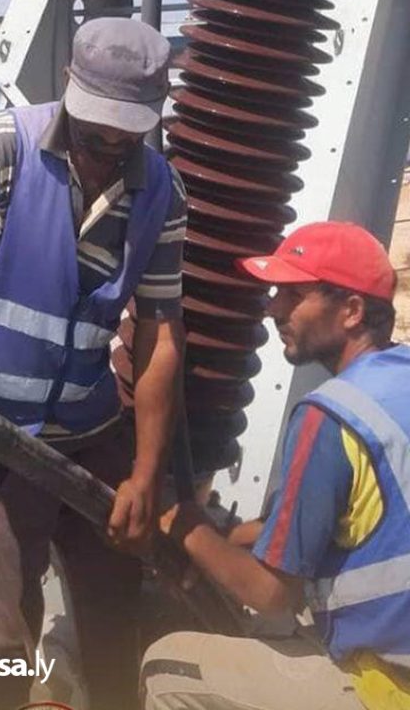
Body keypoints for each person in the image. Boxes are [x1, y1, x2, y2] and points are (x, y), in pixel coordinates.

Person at [0, 17, 188, 710]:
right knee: (5, 617)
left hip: (90, 428)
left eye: (126, 139)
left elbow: (159, 334)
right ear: (69, 89)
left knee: (112, 599)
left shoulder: (162, 193)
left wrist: (145, 474)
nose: (107, 154)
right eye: (94, 136)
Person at [143, 222, 410, 710]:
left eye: (293, 295)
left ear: (352, 311)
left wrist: (185, 526)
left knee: (168, 668)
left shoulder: (330, 415)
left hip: (392, 687)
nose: (273, 309)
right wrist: (226, 537)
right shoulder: (398, 381)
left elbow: (271, 593)